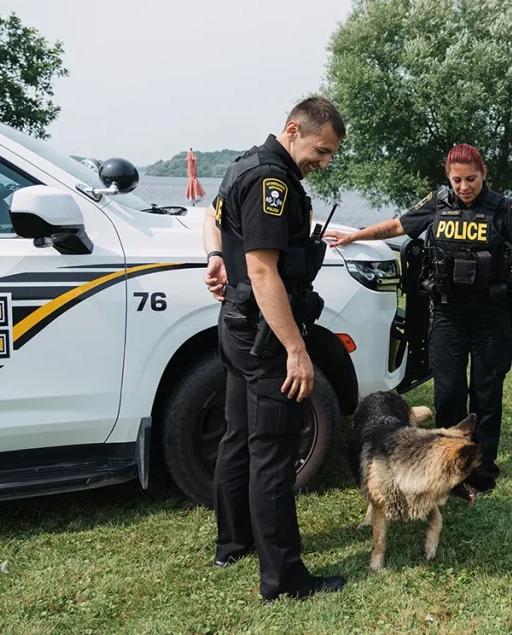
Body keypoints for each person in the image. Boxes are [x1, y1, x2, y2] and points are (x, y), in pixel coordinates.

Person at [325, 143, 512, 497]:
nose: (464, 186)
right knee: (449, 392)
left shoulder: (503, 210)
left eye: (471, 179)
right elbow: (397, 225)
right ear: (449, 178)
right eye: (457, 180)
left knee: (487, 394)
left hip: (491, 317)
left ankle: (482, 468)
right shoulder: (438, 204)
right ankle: (450, 465)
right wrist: (355, 235)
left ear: (484, 174)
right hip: (448, 316)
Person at [200, 96, 347, 601]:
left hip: (237, 324)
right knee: (274, 453)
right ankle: (284, 578)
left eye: (329, 156)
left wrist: (217, 255)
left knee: (238, 436)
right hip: (264, 332)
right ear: (293, 129)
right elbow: (264, 270)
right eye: (321, 150)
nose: (323, 163)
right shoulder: (272, 181)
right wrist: (296, 350)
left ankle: (233, 542)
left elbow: (212, 216)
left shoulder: (244, 162)